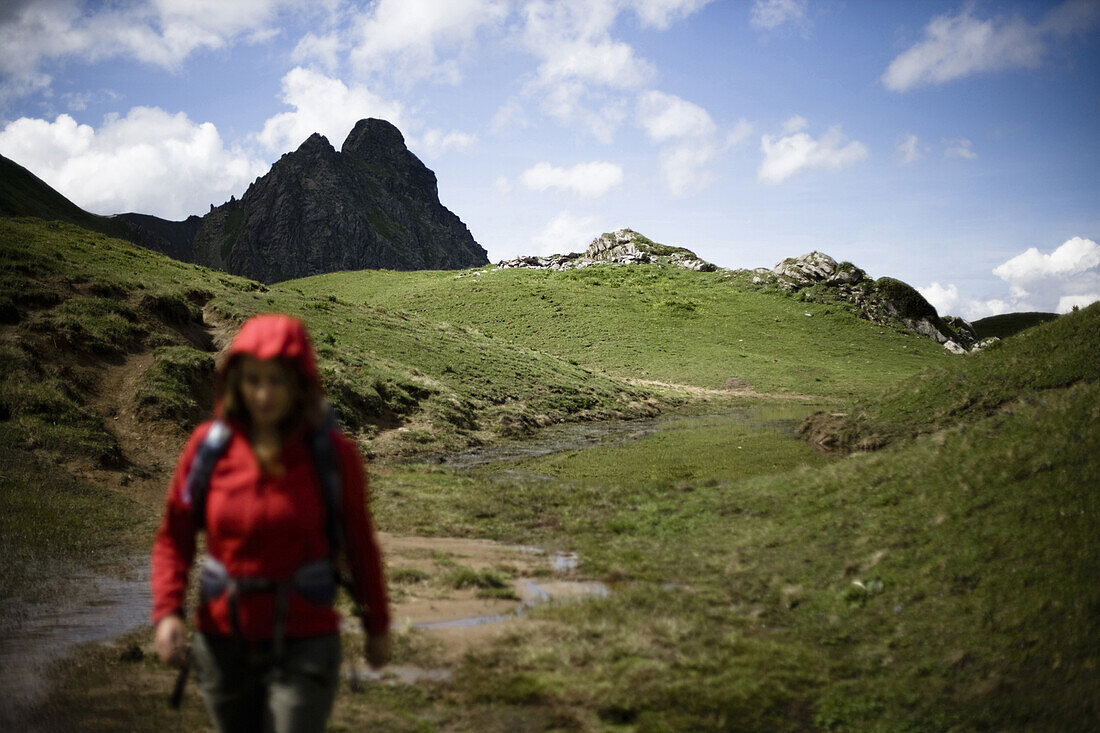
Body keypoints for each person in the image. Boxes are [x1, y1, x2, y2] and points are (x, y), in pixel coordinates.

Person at [151, 314, 390, 732]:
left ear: (300, 383)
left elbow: (359, 544)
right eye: (253, 380)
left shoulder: (335, 457)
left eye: (277, 380)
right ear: (236, 381)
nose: (264, 395)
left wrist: (378, 626)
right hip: (222, 644)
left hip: (306, 642)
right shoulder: (207, 449)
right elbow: (176, 535)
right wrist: (168, 611)